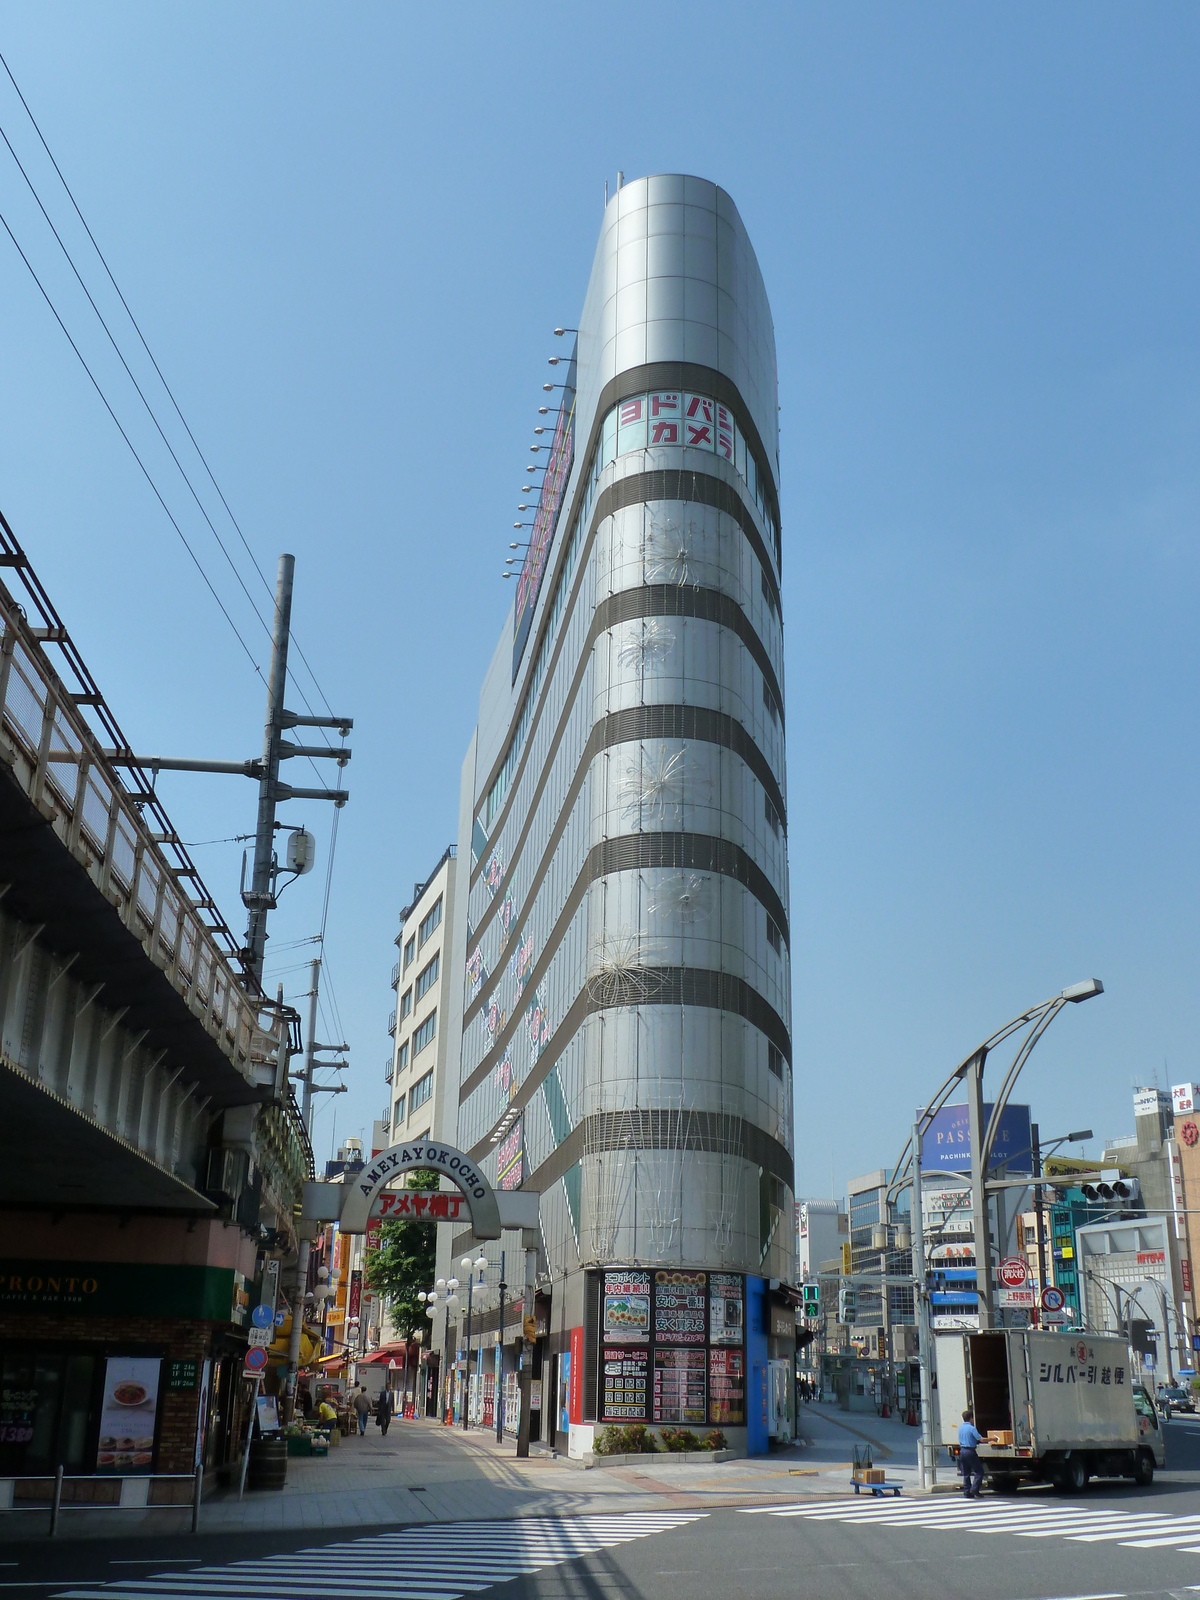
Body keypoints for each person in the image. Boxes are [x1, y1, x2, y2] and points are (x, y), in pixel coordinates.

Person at [958, 1408, 984, 1498]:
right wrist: (992, 1439)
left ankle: (966, 1491)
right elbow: (980, 1439)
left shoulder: (961, 1428)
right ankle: (974, 1489)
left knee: (966, 1473)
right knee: (979, 1471)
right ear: (971, 1418)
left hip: (962, 1451)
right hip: (970, 1451)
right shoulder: (972, 1428)